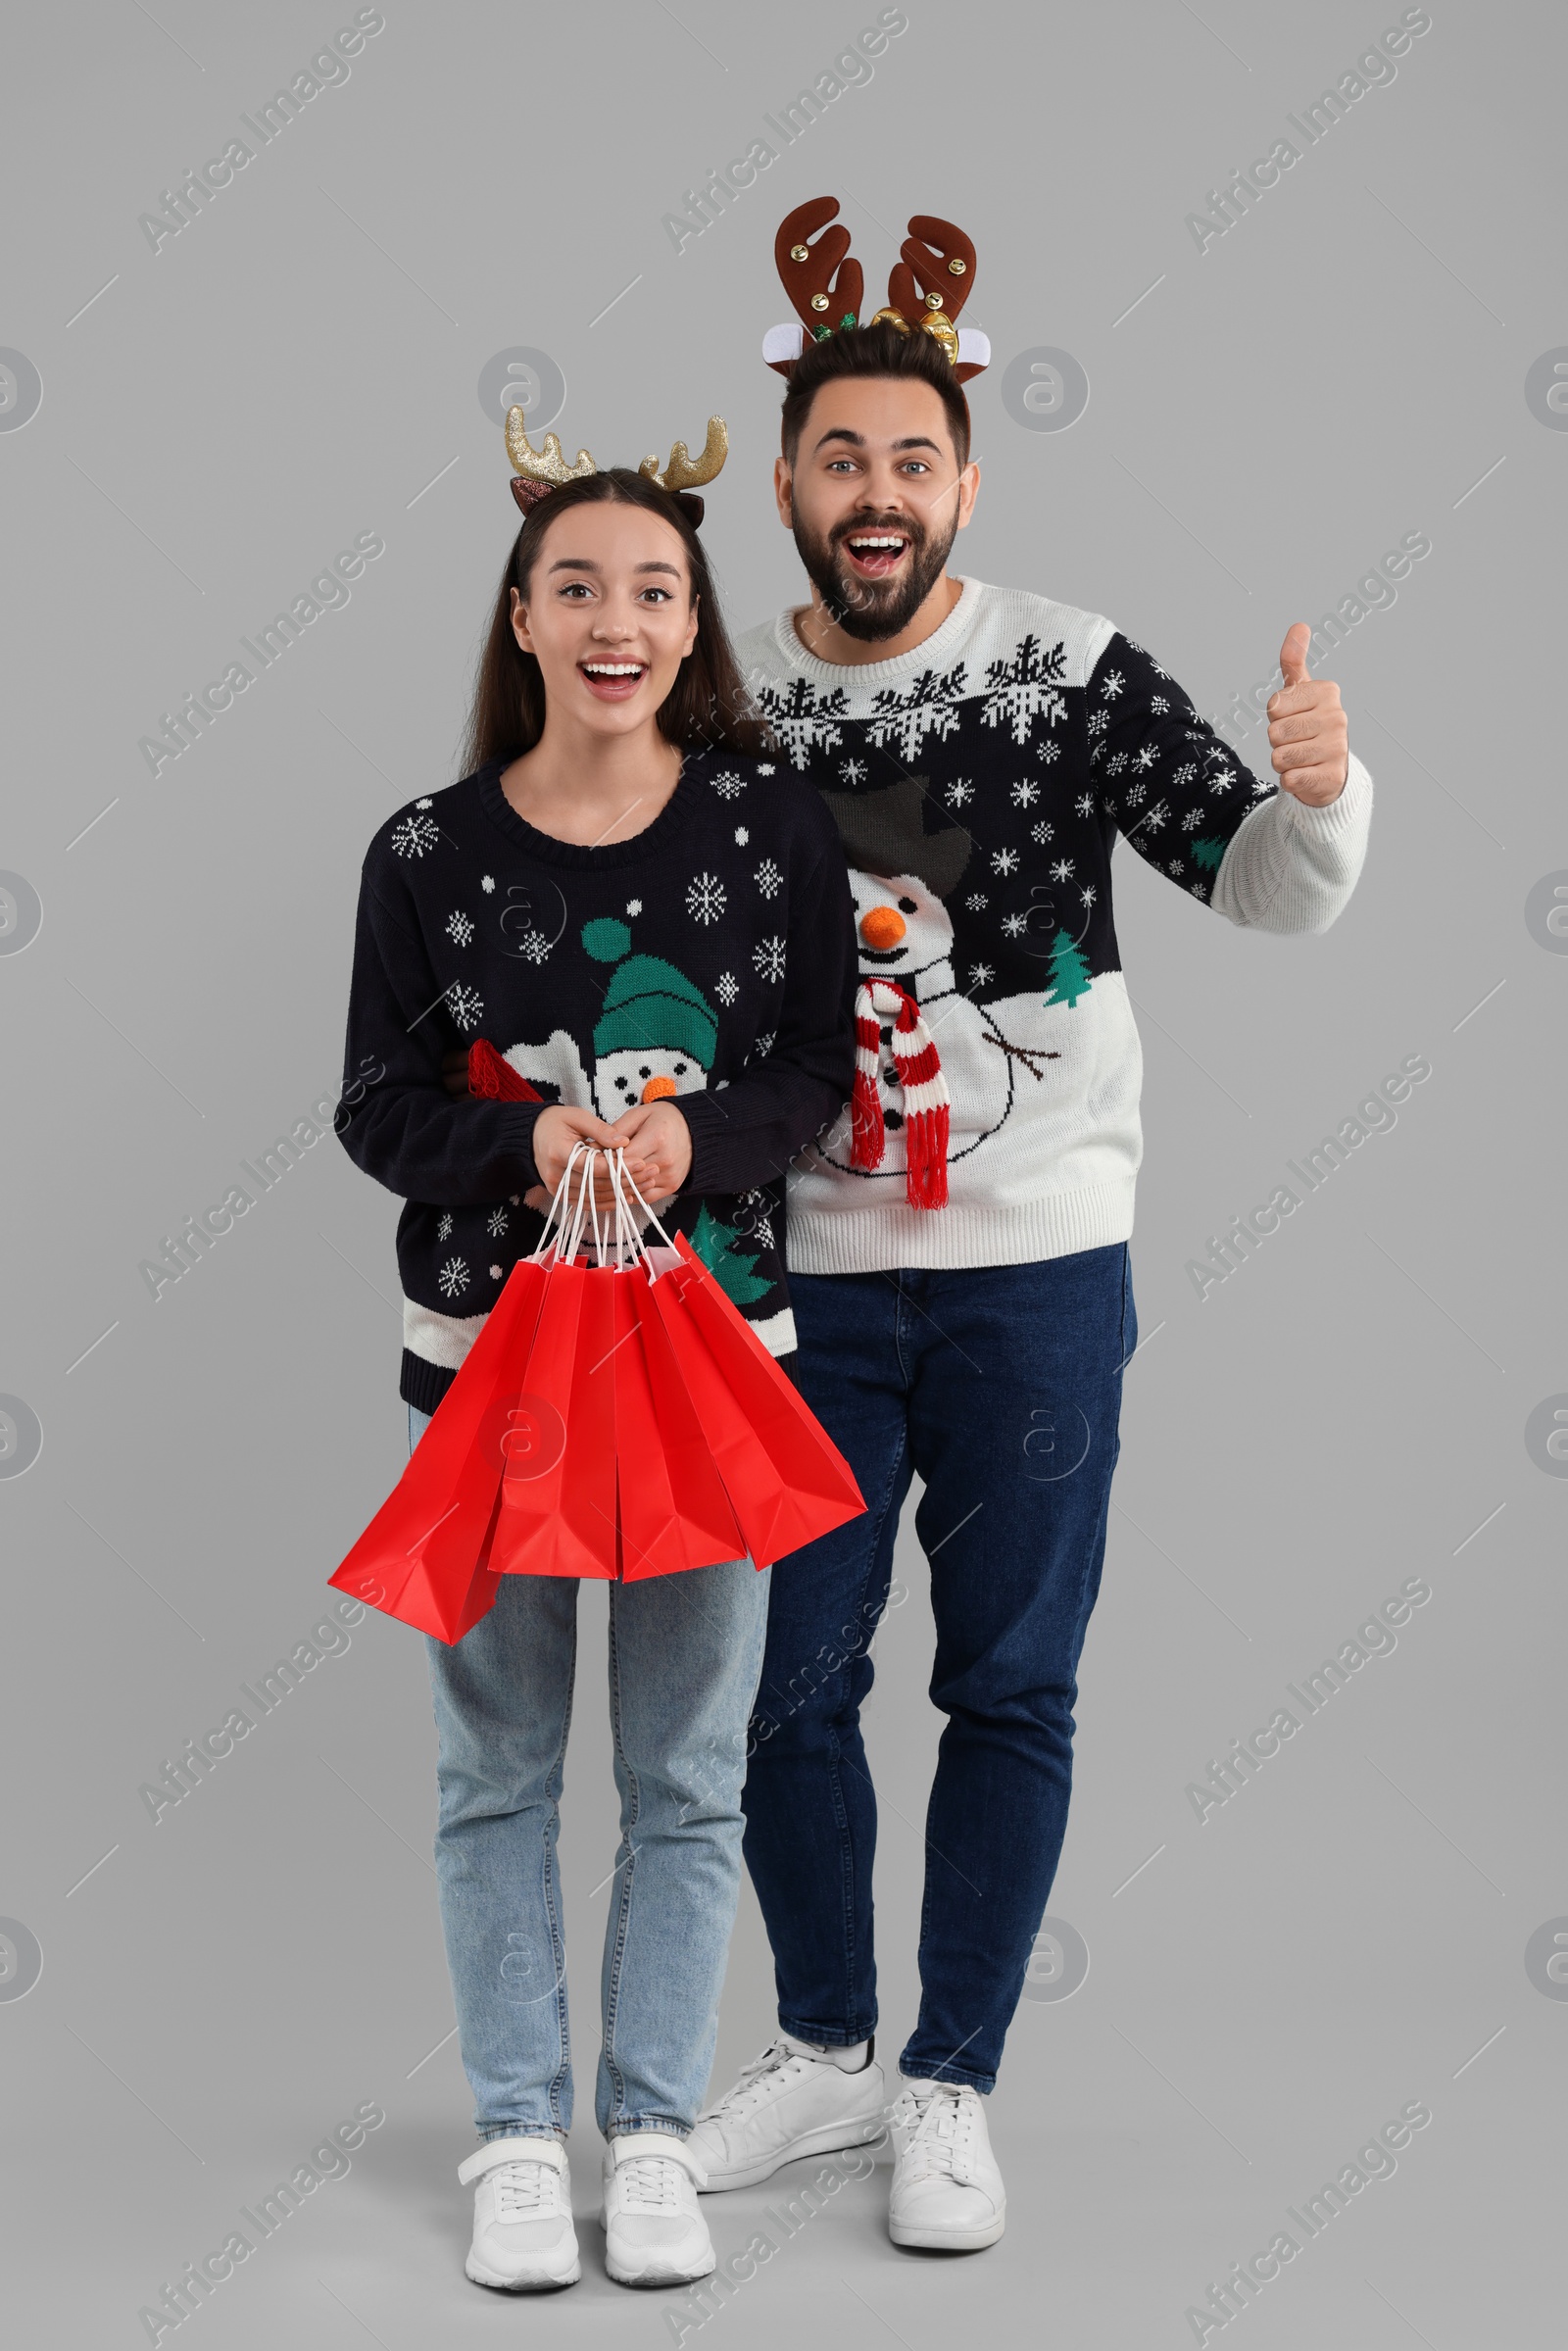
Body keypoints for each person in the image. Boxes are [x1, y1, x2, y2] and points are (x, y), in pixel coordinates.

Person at [688, 200, 1372, 2252]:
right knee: (783, 1686)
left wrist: (1316, 798)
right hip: (791, 1278)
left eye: (910, 460)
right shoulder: (719, 720)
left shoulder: (1065, 667)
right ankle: (824, 2055)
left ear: (960, 477)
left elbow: (1254, 881)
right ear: (791, 484)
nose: (874, 494)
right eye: (838, 459)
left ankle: (950, 2086)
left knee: (1007, 1684)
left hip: (1032, 1276)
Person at [333, 413, 857, 2291]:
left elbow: (818, 1078)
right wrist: (529, 1138)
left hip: (714, 1358)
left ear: (692, 615)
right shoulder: (427, 849)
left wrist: (689, 1138)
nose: (617, 618)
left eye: (654, 587)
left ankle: (646, 2126)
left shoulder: (769, 828)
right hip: (490, 1370)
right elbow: (376, 1107)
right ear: (523, 614)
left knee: (689, 1771)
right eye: (580, 587)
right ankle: (509, 2133)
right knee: (496, 1767)